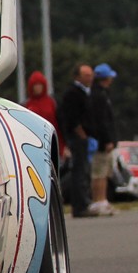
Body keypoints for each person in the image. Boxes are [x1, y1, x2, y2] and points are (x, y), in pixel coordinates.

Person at [59, 63, 95, 217]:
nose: (90, 78)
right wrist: (81, 133)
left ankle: (84, 202)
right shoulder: (73, 93)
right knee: (79, 172)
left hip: (83, 137)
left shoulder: (85, 92)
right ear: (78, 77)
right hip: (77, 138)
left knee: (84, 171)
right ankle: (79, 206)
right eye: (86, 75)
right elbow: (71, 117)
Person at [86, 62, 119, 215]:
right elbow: (102, 120)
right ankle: (99, 201)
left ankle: (102, 200)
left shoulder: (101, 94)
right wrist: (107, 140)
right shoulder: (99, 96)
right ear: (105, 78)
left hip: (102, 140)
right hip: (101, 142)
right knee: (99, 173)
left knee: (104, 172)